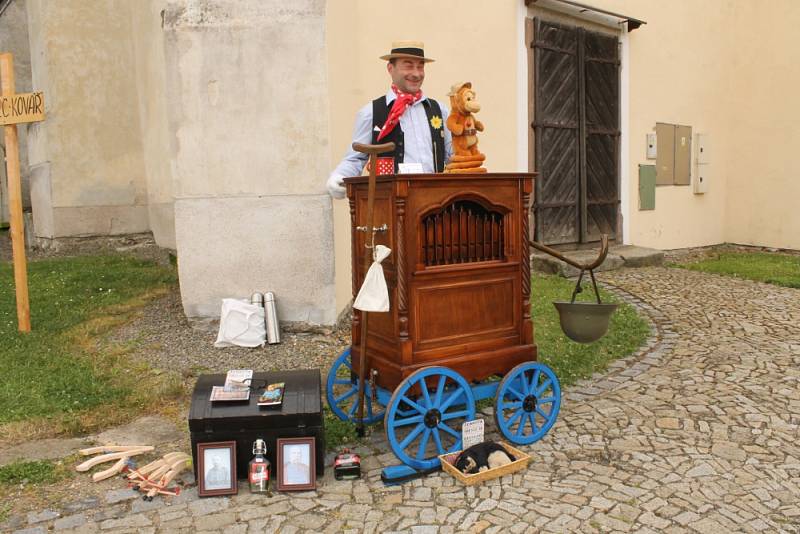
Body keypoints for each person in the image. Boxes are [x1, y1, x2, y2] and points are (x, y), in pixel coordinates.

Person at [327, 41, 453, 199]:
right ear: (390, 68)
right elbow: (356, 157)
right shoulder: (371, 112)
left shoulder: (439, 110)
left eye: (420, 66)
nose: (416, 73)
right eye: (408, 66)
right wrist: (339, 177)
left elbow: (452, 157)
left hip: (435, 205)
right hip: (391, 205)